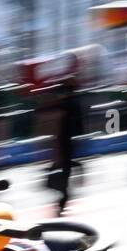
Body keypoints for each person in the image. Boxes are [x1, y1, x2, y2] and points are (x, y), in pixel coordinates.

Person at [48, 54, 86, 215]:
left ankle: (62, 198)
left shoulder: (75, 87)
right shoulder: (63, 87)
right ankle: (62, 200)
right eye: (74, 64)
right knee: (64, 167)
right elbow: (57, 114)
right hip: (63, 135)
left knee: (67, 167)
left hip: (72, 135)